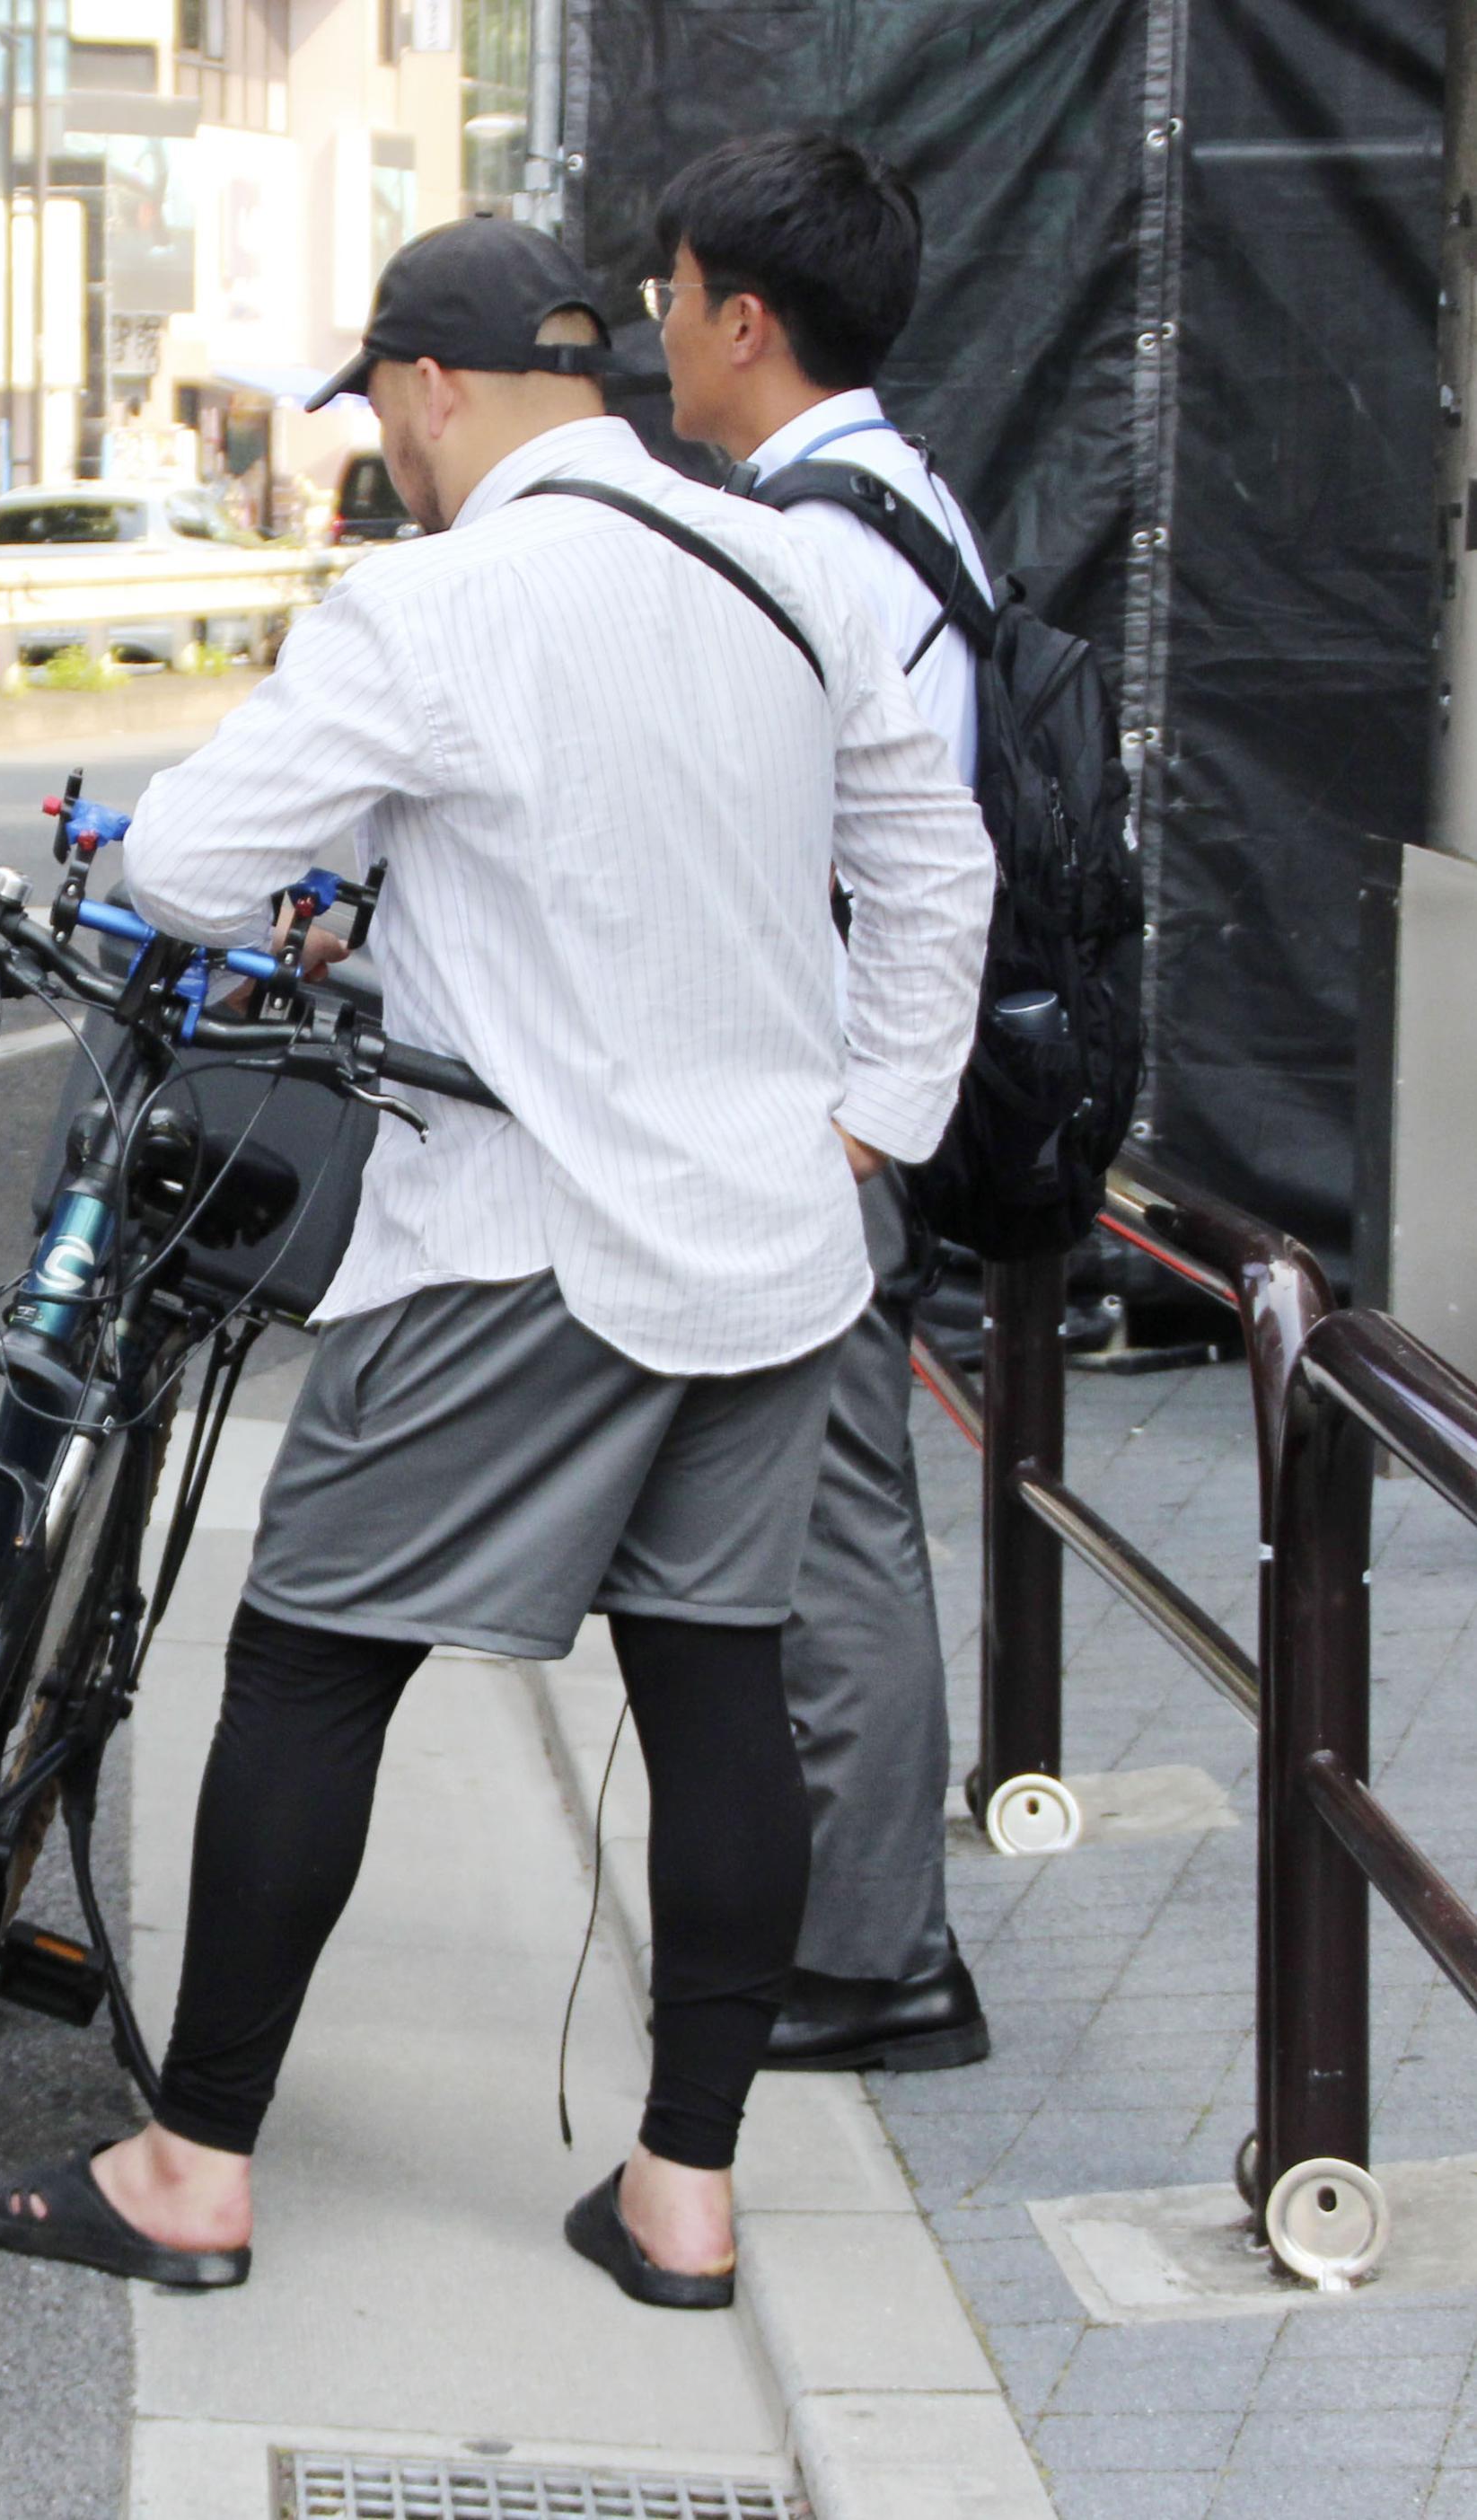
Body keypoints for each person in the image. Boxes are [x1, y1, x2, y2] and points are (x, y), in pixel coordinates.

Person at [0, 216, 990, 2307]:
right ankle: (679, 2194)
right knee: (714, 1685)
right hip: (772, 1241)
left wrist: (329, 906)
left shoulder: (434, 604)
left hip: (514, 1239)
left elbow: (181, 865)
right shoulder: (792, 569)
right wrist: (872, 1115)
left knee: (312, 1660)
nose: (386, 460)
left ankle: (190, 2164)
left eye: (382, 418)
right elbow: (929, 865)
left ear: (430, 390)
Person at [650, 131, 997, 2075]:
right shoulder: (887, 499)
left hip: (823, 1105)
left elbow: (883, 852)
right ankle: (834, 1924)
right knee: (811, 1522)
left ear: (743, 321)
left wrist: (861, 1120)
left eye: (673, 294)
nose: (659, 328)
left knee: (838, 1530)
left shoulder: (815, 537)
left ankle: (874, 1959)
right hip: (842, 1090)